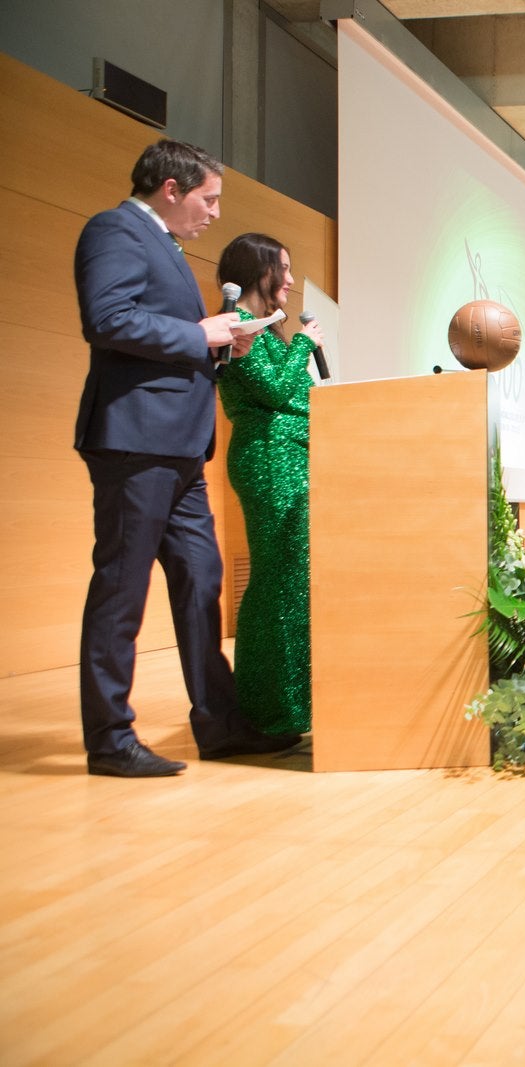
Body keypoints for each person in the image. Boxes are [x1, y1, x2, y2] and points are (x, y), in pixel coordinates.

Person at [73, 140, 301, 777]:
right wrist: (200, 332)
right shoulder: (115, 230)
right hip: (136, 441)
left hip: (178, 449)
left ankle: (220, 724)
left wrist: (222, 346)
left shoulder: (165, 246)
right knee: (121, 589)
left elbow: (161, 339)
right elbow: (107, 319)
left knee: (201, 581)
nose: (215, 213)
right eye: (210, 198)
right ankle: (109, 740)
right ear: (171, 189)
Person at [216, 234, 322, 735]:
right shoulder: (236, 322)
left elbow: (296, 391)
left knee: (294, 580)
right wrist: (304, 343)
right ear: (260, 271)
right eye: (284, 268)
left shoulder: (270, 332)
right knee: (278, 580)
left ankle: (293, 704)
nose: (292, 280)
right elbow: (277, 391)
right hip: (268, 459)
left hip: (293, 455)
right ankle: (267, 708)